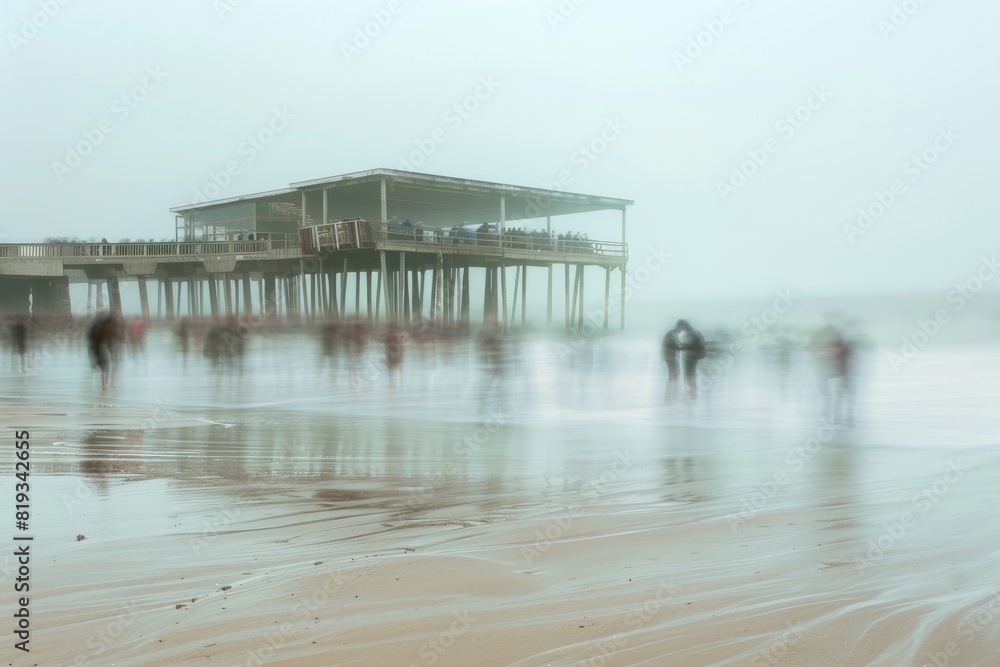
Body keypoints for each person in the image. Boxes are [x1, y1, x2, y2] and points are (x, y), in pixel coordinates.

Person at [675, 319, 706, 400]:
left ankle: (693, 393)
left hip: (690, 357)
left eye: (679, 326)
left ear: (682, 325)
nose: (678, 328)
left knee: (690, 374)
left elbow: (688, 345)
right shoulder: (693, 332)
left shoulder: (689, 333)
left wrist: (680, 346)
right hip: (693, 357)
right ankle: (693, 392)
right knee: (691, 374)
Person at [661, 325, 682, 402]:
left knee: (674, 376)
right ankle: (670, 397)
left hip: (669, 357)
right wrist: (682, 347)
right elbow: (675, 344)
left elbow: (667, 344)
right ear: (680, 327)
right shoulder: (674, 334)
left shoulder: (671, 333)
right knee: (673, 377)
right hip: (671, 357)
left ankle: (669, 397)